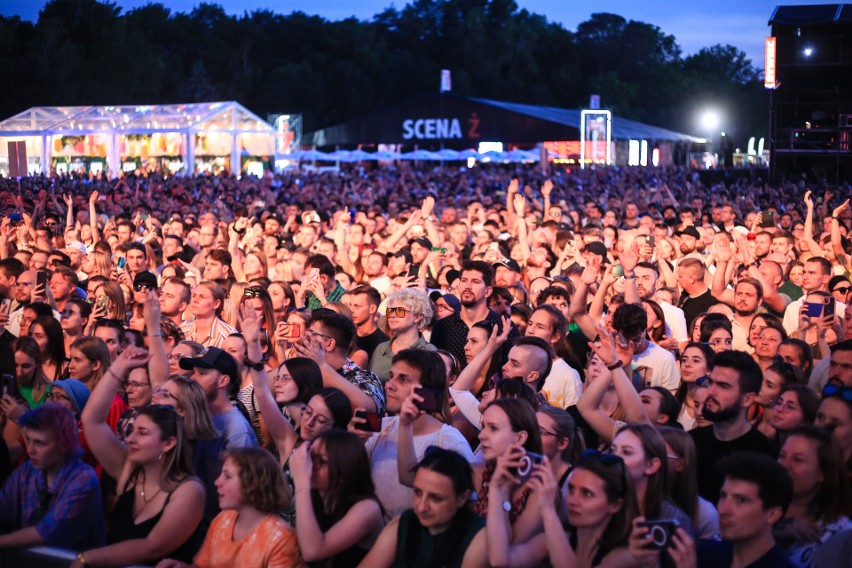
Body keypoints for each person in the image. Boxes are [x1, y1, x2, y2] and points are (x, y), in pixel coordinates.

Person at [78, 349, 206, 567]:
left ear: (169, 442)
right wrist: (118, 367)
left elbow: (152, 547)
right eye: (133, 430)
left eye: (143, 432)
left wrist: (85, 558)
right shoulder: (129, 468)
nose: (130, 439)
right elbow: (92, 420)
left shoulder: (190, 489)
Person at [358, 348, 474, 520]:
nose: (389, 385)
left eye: (403, 379)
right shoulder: (379, 428)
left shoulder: (450, 441)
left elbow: (467, 508)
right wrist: (353, 445)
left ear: (426, 391)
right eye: (391, 377)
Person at [156, 447, 305, 568]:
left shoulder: (281, 538)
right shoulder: (223, 519)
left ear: (253, 483)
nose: (217, 482)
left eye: (227, 476)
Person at [486, 450, 639, 567]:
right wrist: (497, 489)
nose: (573, 500)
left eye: (587, 493)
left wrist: (548, 510)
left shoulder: (626, 555)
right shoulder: (555, 540)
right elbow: (500, 560)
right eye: (571, 489)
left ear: (615, 505)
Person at [358, 447, 487, 568]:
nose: (421, 507)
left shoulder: (477, 536)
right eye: (418, 493)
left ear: (462, 498)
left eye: (436, 498)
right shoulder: (404, 524)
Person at [0, 403, 105, 551]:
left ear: (64, 443)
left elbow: (46, 533)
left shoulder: (84, 479)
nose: (30, 450)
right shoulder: (26, 472)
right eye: (28, 440)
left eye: (40, 443)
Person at [690, 350, 778, 503]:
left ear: (748, 399)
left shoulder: (766, 456)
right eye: (711, 382)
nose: (711, 391)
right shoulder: (690, 442)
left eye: (723, 386)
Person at [290, 430, 386, 566]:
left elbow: (312, 551)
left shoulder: (368, 508)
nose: (309, 465)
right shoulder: (314, 496)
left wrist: (301, 481)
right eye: (309, 456)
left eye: (320, 461)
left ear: (344, 469)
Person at [695, 452, 795, 568]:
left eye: (742, 500)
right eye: (723, 496)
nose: (723, 510)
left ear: (773, 514)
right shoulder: (702, 555)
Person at [777, 425, 851, 568]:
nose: (784, 465)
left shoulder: (841, 533)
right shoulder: (754, 506)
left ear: (822, 473)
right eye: (782, 455)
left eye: (797, 459)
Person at [179, 346, 257, 448]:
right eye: (193, 372)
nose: (192, 378)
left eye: (201, 373)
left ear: (223, 381)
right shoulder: (197, 415)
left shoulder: (238, 431)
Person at [369, 288, 437, 383]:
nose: (392, 315)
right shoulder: (381, 348)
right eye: (390, 311)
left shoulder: (429, 352)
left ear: (417, 317)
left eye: (400, 311)